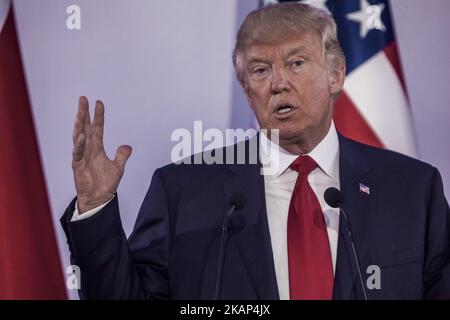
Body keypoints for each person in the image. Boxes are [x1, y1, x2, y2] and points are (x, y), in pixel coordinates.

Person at [62, 3, 450, 299]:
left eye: (296, 63)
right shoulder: (183, 190)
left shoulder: (413, 189)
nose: (278, 83)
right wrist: (95, 206)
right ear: (247, 91)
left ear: (335, 75)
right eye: (260, 71)